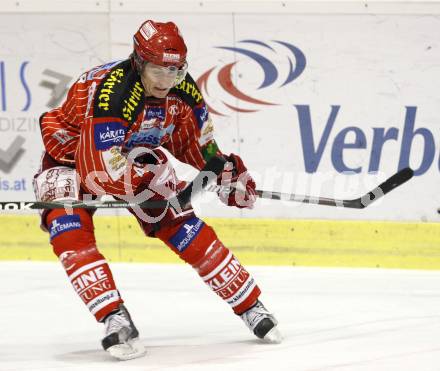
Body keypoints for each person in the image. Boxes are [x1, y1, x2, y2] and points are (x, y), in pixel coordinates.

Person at [33, 19, 282, 360]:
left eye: (176, 72)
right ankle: (114, 319)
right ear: (138, 62)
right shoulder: (114, 91)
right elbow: (98, 168)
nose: (167, 81)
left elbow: (197, 144)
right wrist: (142, 186)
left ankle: (251, 305)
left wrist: (224, 173)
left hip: (133, 151)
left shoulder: (184, 90)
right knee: (68, 227)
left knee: (178, 220)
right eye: (158, 71)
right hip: (73, 154)